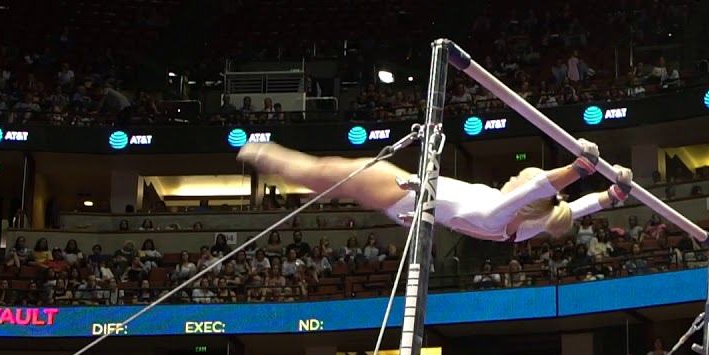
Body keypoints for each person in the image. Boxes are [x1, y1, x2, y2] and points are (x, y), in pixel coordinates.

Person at [239, 139, 634, 242]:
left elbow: (539, 185)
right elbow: (578, 209)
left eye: (518, 177)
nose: (513, 178)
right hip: (409, 197)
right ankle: (313, 188)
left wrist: (581, 166)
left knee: (332, 170)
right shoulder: (528, 225)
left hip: (405, 194)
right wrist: (615, 193)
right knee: (336, 181)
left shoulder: (500, 212)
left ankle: (268, 159)